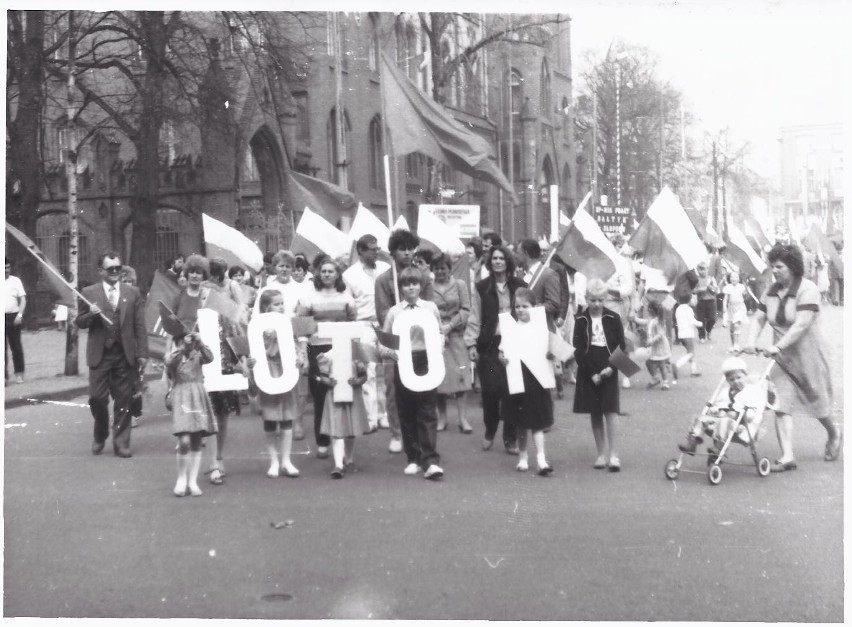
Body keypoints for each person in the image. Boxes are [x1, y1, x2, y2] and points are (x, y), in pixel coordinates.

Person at [743, 243, 841, 472]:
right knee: (781, 403)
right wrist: (750, 340)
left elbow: (802, 324)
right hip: (782, 358)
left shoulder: (808, 289)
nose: (774, 271)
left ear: (793, 267)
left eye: (779, 267)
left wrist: (778, 346)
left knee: (817, 401)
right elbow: (759, 318)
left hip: (808, 354)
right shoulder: (770, 290)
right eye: (772, 267)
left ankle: (834, 433)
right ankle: (787, 456)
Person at [76, 251, 148, 458]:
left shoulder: (132, 292)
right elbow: (79, 322)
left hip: (124, 354)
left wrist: (142, 353)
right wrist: (91, 314)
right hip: (100, 354)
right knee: (97, 398)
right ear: (101, 271)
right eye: (111, 269)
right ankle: (100, 432)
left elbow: (140, 326)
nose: (116, 272)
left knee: (124, 399)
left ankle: (121, 442)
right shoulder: (89, 293)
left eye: (118, 267)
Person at [375, 229, 434, 455]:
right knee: (393, 389)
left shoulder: (424, 277)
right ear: (393, 252)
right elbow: (383, 313)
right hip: (395, 341)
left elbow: (428, 308)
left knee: (420, 389)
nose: (408, 252)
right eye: (403, 248)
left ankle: (419, 435)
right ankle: (397, 434)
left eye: (411, 248)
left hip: (419, 341)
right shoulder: (383, 280)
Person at [382, 267, 444, 480]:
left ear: (421, 285)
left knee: (427, 409)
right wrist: (392, 358)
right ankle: (413, 458)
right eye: (407, 284)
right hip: (404, 361)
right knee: (407, 411)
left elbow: (440, 333)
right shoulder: (395, 312)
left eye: (415, 283)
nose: (411, 287)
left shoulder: (430, 308)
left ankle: (430, 460)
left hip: (426, 359)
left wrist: (438, 351)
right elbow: (386, 342)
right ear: (401, 287)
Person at [464, 244, 523, 454]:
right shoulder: (482, 287)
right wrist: (471, 343)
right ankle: (490, 429)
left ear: (508, 262)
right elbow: (474, 317)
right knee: (489, 391)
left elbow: (528, 313)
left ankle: (510, 437)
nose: (498, 261)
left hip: (514, 345)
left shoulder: (519, 286)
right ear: (490, 262)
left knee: (512, 392)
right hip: (490, 346)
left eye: (502, 258)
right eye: (495, 258)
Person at [297, 257, 357, 461]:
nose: (327, 274)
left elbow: (352, 324)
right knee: (321, 397)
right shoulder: (308, 297)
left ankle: (343, 442)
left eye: (331, 271)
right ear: (318, 273)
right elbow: (302, 328)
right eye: (323, 271)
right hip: (317, 350)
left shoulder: (347, 297)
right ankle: (322, 442)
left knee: (343, 394)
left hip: (341, 349)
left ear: (338, 274)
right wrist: (304, 354)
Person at [247, 289, 303, 479]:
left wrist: (300, 359)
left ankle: (286, 460)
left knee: (287, 419)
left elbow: (296, 346)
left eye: (282, 303)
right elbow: (252, 351)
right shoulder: (258, 328)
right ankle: (274, 461)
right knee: (270, 419)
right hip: (268, 372)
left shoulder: (286, 325)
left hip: (285, 371)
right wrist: (251, 363)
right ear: (265, 307)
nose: (281, 307)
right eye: (276, 304)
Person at [499, 288, 555, 475]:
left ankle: (541, 458)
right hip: (518, 377)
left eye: (525, 306)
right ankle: (523, 457)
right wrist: (502, 358)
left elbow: (553, 349)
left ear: (534, 307)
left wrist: (551, 353)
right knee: (521, 422)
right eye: (517, 307)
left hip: (536, 380)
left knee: (537, 422)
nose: (521, 310)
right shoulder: (511, 328)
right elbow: (502, 351)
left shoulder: (540, 328)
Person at [573, 278, 626, 471]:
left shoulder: (613, 318)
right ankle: (601, 454)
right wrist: (591, 373)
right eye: (593, 300)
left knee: (611, 410)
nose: (596, 304)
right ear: (587, 298)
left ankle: (614, 455)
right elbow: (578, 349)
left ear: (605, 299)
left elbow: (622, 346)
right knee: (595, 411)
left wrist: (612, 368)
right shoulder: (580, 319)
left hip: (609, 361)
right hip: (589, 364)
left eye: (600, 300)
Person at [342, 234, 391, 433]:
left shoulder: (386, 269)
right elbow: (348, 305)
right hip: (363, 325)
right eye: (372, 248)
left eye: (378, 248)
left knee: (385, 370)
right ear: (361, 250)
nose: (377, 251)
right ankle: (371, 417)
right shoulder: (349, 275)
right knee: (369, 371)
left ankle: (384, 415)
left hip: (386, 325)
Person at [678, 356, 768, 455]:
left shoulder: (752, 391)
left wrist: (738, 412)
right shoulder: (725, 392)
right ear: (727, 381)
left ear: (745, 375)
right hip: (720, 421)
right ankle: (692, 443)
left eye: (739, 378)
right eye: (731, 380)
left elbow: (752, 413)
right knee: (700, 419)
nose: (736, 381)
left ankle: (719, 447)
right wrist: (715, 409)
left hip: (741, 425)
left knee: (727, 418)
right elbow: (718, 404)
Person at [166, 330, 218, 497]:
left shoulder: (198, 355)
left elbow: (210, 357)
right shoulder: (175, 356)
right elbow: (169, 362)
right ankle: (181, 478)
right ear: (177, 341)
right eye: (182, 340)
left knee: (196, 439)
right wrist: (181, 348)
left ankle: (192, 481)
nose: (187, 343)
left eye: (188, 340)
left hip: (197, 395)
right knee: (184, 440)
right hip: (181, 396)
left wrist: (200, 342)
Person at [430, 253, 474, 434]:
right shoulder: (428, 288)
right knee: (439, 378)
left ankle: (462, 418)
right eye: (437, 268)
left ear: (449, 268)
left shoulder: (460, 285)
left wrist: (450, 325)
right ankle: (442, 417)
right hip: (436, 337)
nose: (440, 271)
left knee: (460, 375)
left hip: (456, 336)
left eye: (444, 268)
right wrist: (439, 328)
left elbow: (466, 309)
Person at [316, 351, 370, 478]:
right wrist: (329, 382)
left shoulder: (355, 356)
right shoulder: (328, 357)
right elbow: (323, 376)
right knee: (337, 430)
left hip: (352, 395)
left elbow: (364, 376)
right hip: (334, 396)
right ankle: (338, 464)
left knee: (351, 430)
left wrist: (357, 381)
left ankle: (349, 459)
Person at [120, 266, 146, 428]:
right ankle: (124, 412)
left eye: (130, 281)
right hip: (119, 345)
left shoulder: (137, 298)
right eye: (125, 281)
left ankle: (134, 413)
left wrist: (142, 350)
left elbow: (141, 325)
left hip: (133, 345)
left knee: (134, 381)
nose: (128, 284)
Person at [634, 301, 673, 390]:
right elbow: (643, 322)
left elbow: (660, 335)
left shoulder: (659, 322)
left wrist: (651, 341)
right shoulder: (651, 320)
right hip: (653, 348)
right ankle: (655, 377)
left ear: (651, 310)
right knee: (648, 362)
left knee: (662, 365)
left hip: (660, 348)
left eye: (648, 308)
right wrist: (635, 319)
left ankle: (665, 382)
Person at [5, 258, 27, 384]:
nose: (6, 270)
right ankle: (4, 377)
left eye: (8, 267)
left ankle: (19, 374)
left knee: (16, 347)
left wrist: (20, 315)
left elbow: (23, 300)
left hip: (13, 317)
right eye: (4, 268)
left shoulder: (16, 281)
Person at [673, 293, 703, 379]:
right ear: (689, 300)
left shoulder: (678, 309)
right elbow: (692, 321)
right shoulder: (688, 309)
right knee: (691, 353)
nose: (694, 300)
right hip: (688, 334)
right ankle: (677, 365)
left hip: (681, 334)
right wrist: (701, 324)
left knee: (689, 352)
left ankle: (693, 370)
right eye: (693, 299)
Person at [722, 271, 748, 352]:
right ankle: (733, 344)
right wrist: (724, 307)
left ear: (739, 279)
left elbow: (745, 295)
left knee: (736, 325)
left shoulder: (741, 286)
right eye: (732, 277)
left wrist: (746, 288)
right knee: (732, 328)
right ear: (730, 279)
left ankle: (736, 344)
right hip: (731, 308)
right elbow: (725, 298)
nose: (734, 278)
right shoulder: (728, 287)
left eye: (736, 277)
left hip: (740, 307)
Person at [693, 261, 718, 342]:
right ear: (698, 271)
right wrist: (701, 289)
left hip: (711, 301)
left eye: (704, 269)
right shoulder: (696, 279)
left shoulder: (711, 279)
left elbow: (716, 290)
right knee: (700, 320)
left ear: (707, 269)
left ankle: (708, 330)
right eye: (701, 269)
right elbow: (693, 291)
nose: (703, 271)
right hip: (701, 302)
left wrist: (709, 287)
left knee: (712, 319)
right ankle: (702, 336)